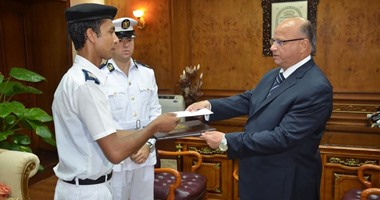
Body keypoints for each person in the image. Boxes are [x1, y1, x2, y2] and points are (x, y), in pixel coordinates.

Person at [187, 17, 333, 200]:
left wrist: (227, 140)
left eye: (281, 42)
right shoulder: (274, 74)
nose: (272, 47)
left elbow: (284, 137)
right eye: (273, 41)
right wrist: (209, 106)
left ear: (303, 45)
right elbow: (249, 100)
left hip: (285, 182)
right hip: (256, 172)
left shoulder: (316, 87)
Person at [52, 3, 179, 200]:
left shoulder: (79, 78)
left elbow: (109, 131)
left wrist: (151, 136)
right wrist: (154, 127)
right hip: (87, 191)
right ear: (92, 36)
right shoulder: (86, 84)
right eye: (111, 32)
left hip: (89, 187)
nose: (115, 40)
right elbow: (115, 151)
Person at [100, 17, 160, 200]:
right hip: (116, 159)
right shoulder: (100, 77)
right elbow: (104, 122)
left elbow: (155, 113)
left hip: (144, 156)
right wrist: (132, 146)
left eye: (130, 40)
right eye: (121, 41)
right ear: (113, 42)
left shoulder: (147, 73)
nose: (126, 45)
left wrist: (148, 145)